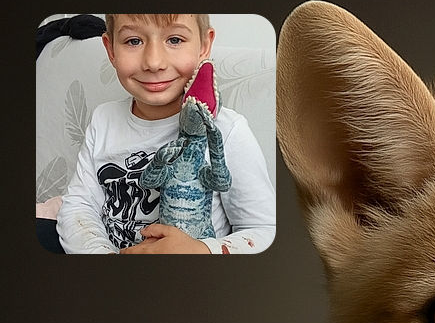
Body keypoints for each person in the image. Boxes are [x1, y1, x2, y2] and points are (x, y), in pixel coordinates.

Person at [56, 13, 274, 254]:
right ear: (111, 50)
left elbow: (263, 230)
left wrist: (201, 250)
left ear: (204, 46)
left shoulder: (227, 129)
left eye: (175, 40)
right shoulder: (103, 119)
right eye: (133, 41)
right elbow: (79, 205)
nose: (154, 62)